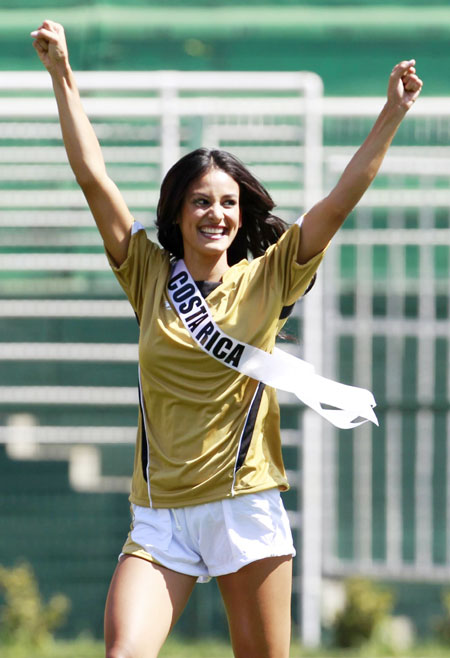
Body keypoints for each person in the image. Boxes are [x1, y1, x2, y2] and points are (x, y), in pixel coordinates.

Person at [30, 19, 422, 658]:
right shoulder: (148, 271)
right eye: (200, 202)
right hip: (160, 515)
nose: (216, 213)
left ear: (242, 215)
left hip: (245, 506)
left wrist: (391, 113)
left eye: (228, 202)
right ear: (177, 213)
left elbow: (341, 199)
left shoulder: (270, 276)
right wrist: (62, 76)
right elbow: (93, 178)